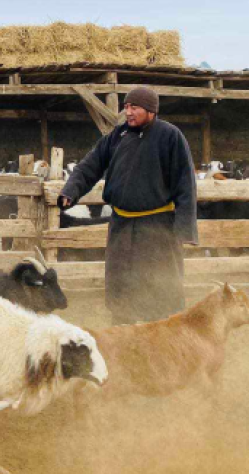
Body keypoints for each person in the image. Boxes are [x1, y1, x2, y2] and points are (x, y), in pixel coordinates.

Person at [58, 86, 198, 325]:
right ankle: (122, 327)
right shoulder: (117, 136)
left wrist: (184, 229)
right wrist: (70, 191)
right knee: (121, 281)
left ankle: (161, 331)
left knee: (158, 281)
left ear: (151, 110)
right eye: (126, 106)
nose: (128, 112)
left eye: (135, 107)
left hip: (156, 227)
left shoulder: (170, 136)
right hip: (121, 224)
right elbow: (88, 167)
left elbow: (186, 184)